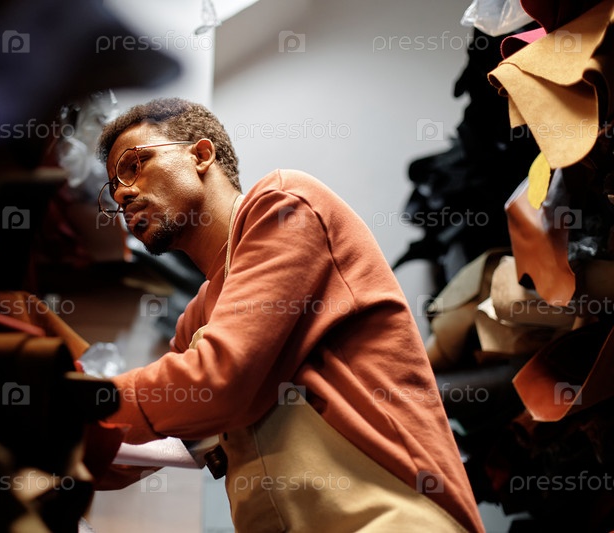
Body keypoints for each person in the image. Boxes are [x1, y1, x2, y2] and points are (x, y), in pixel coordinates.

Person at [93, 97, 485, 532]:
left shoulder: (284, 205)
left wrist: (79, 402)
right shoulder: (196, 320)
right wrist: (69, 440)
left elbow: (219, 379)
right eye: (113, 188)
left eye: (133, 165)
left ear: (201, 154)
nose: (122, 194)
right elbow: (160, 437)